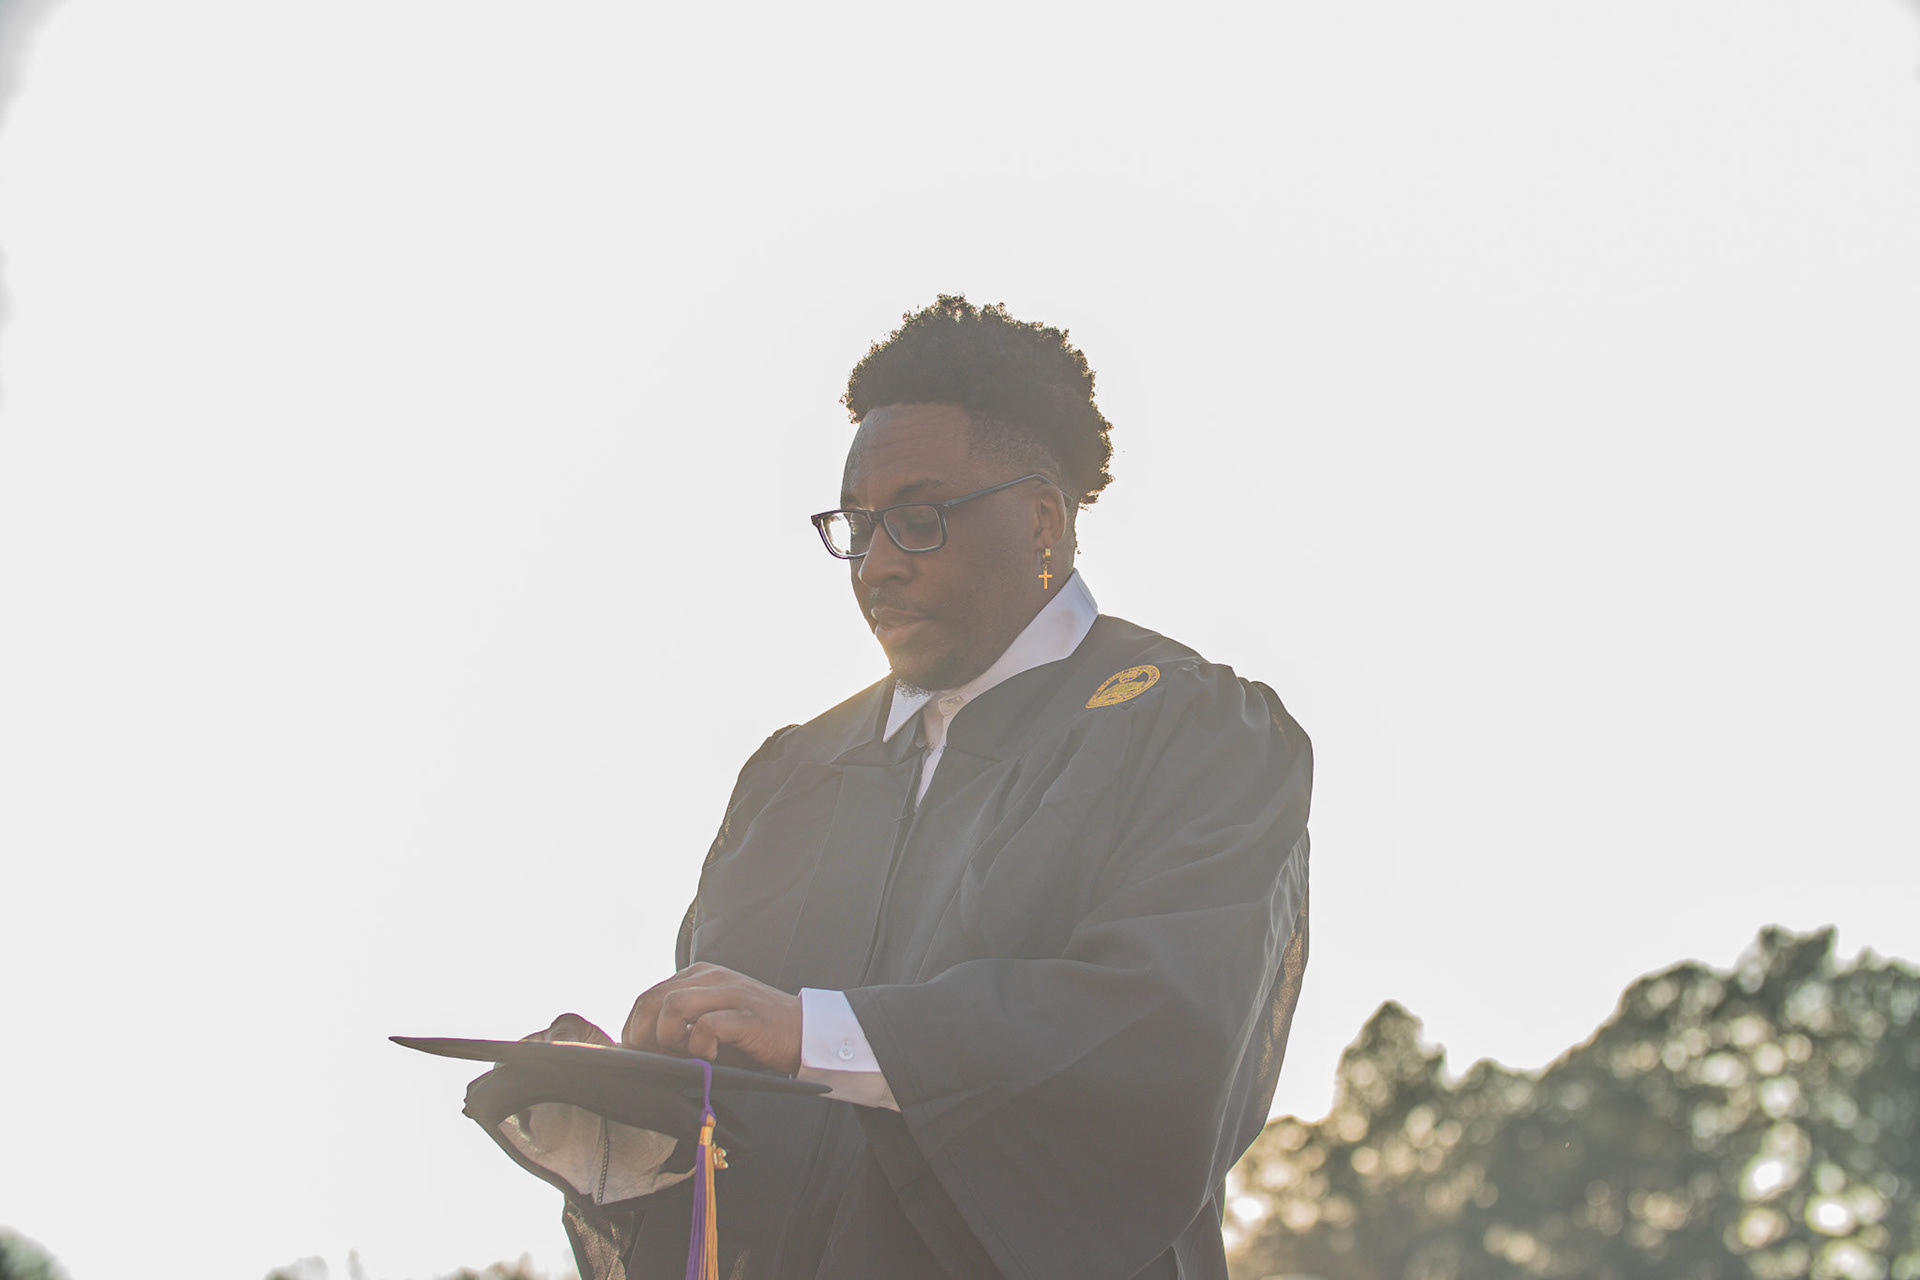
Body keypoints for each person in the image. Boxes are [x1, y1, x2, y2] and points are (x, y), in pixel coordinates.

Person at [556, 296, 1312, 1279]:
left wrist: (820, 1032)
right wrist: (628, 1124)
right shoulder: (797, 774)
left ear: (1042, 520)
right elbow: (736, 1136)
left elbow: (1159, 1038)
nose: (876, 566)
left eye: (918, 520)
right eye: (857, 526)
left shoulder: (1190, 731)